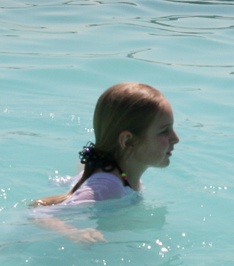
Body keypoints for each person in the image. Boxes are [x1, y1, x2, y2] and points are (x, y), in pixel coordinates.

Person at [30, 82, 178, 242]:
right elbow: (36, 213)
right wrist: (72, 232)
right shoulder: (109, 187)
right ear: (128, 142)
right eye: (164, 131)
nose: (175, 138)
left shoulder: (118, 175)